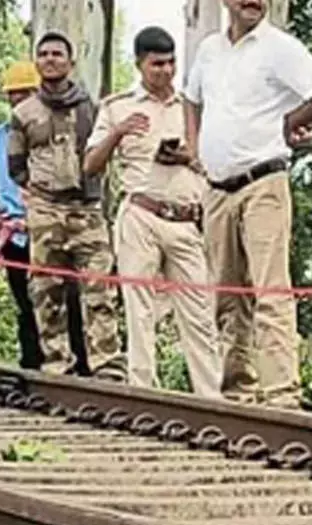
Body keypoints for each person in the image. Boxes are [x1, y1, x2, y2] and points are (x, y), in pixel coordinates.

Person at [184, 0, 312, 408]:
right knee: (227, 295)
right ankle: (238, 392)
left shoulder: (279, 47)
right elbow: (191, 96)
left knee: (270, 289)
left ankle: (281, 394)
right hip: (217, 187)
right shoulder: (209, 50)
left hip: (263, 182)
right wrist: (193, 145)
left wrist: (288, 122)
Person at [86, 27, 222, 399]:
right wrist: (117, 132)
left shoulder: (193, 107)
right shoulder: (118, 105)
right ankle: (142, 393)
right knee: (139, 308)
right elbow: (90, 166)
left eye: (171, 62)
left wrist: (188, 156)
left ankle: (210, 397)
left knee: (198, 311)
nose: (165, 71)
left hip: (185, 218)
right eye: (156, 63)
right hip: (140, 213)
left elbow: (217, 164)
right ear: (140, 64)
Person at [8, 32, 124, 381]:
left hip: (87, 210)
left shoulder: (93, 107)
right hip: (45, 210)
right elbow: (16, 166)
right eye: (43, 54)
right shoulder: (23, 113)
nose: (50, 59)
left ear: (70, 62)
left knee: (100, 288)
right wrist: (40, 196)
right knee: (46, 291)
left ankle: (108, 366)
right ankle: (57, 365)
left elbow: (105, 155)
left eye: (57, 53)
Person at [0, 60, 89, 373]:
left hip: (57, 226)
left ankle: (79, 365)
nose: (19, 101)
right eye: (13, 95)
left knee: (68, 297)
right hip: (18, 232)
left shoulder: (61, 129)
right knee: (27, 301)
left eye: (26, 94)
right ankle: (33, 365)